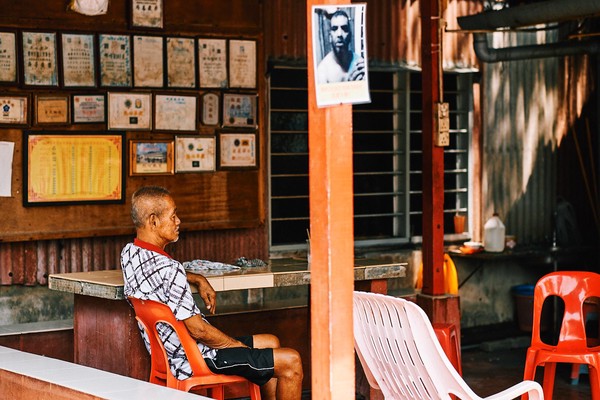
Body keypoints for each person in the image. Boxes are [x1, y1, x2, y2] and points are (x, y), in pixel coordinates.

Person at [121, 186, 303, 400]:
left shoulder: (130, 254)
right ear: (153, 221)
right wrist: (238, 347)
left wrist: (196, 277)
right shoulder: (171, 270)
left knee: (271, 341)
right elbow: (199, 331)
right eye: (173, 216)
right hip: (197, 358)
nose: (178, 221)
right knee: (292, 361)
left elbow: (161, 272)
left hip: (173, 356)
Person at [316, 9, 366, 84]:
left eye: (344, 28)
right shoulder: (322, 71)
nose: (339, 34)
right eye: (334, 29)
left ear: (350, 35)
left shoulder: (359, 63)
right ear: (330, 37)